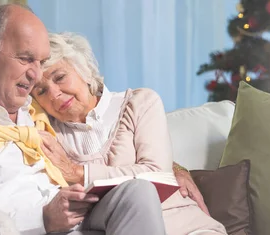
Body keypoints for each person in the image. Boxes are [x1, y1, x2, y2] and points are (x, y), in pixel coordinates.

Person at [0, 4, 167, 235]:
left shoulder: (35, 114)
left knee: (137, 192)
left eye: (40, 62)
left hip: (80, 220)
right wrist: (43, 219)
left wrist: (179, 170)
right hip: (25, 228)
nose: (35, 75)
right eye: (26, 58)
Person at [30, 32, 227, 235]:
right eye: (41, 91)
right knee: (137, 192)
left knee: (141, 190)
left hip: (185, 226)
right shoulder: (45, 132)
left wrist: (77, 172)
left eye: (60, 77)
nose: (54, 94)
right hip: (115, 227)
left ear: (84, 71)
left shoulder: (140, 103)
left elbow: (157, 173)